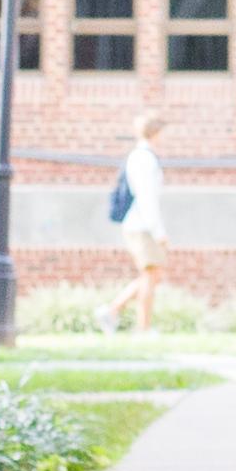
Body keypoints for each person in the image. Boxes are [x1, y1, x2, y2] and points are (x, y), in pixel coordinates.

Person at [98, 111, 170, 331]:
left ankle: (112, 311)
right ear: (155, 133)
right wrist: (159, 233)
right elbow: (146, 197)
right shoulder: (144, 159)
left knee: (153, 275)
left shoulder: (143, 157)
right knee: (150, 275)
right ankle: (142, 328)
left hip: (141, 224)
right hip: (142, 226)